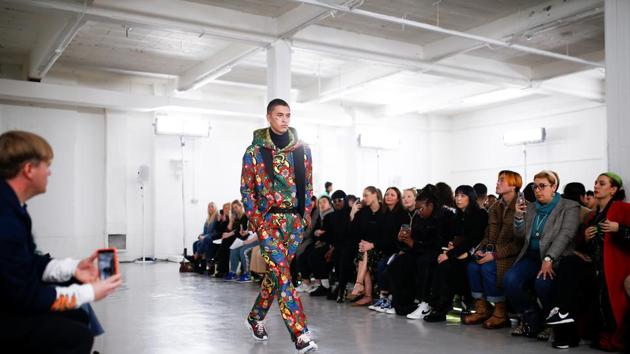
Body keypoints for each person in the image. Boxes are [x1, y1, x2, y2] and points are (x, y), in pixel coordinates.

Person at [0, 130, 121, 354]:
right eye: (47, 165)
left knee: (76, 313)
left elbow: (28, 262)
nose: (50, 172)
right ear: (28, 169)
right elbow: (28, 298)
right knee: (77, 335)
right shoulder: (6, 219)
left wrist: (73, 267)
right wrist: (90, 292)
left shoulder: (12, 207)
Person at [240, 98, 317, 353]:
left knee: (276, 276)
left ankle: (255, 317)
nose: (284, 120)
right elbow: (246, 190)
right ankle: (300, 333)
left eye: (288, 115)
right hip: (268, 223)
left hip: (294, 223)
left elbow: (307, 186)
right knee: (284, 275)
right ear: (268, 117)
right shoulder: (254, 152)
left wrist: (305, 215)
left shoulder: (302, 150)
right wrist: (257, 220)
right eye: (279, 115)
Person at [546, 172, 629, 351]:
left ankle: (565, 325)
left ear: (613, 189)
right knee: (568, 264)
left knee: (574, 271)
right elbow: (582, 246)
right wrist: (584, 238)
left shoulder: (623, 209)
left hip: (615, 265)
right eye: (596, 182)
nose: (596, 186)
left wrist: (619, 228)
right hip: (595, 263)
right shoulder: (592, 216)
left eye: (602, 183)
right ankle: (564, 325)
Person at [505, 170, 580, 340]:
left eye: (542, 186)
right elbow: (519, 235)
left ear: (554, 186)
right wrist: (518, 216)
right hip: (531, 255)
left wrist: (549, 259)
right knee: (510, 280)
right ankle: (531, 318)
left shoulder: (569, 206)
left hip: (555, 257)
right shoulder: (531, 207)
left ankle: (551, 322)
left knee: (542, 283)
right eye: (535, 186)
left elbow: (566, 235)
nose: (537, 190)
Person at [463, 170, 523, 329]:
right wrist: (480, 249)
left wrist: (494, 255)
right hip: (493, 252)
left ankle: (501, 312)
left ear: (514, 184)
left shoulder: (523, 206)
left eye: (502, 180)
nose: (497, 183)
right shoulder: (495, 206)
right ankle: (482, 308)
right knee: (472, 266)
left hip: (511, 255)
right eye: (498, 180)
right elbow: (487, 235)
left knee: (488, 268)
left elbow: (519, 243)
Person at [424, 185, 488, 322]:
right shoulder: (457, 216)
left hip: (474, 253)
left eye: (463, 196)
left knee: (446, 265)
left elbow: (474, 240)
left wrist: (451, 253)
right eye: (457, 195)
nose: (458, 199)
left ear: (471, 198)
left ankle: (441, 307)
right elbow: (455, 237)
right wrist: (451, 247)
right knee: (439, 263)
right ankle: (436, 304)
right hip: (459, 252)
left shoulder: (480, 214)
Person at [346, 186, 383, 306]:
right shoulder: (364, 212)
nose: (364, 198)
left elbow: (386, 235)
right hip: (366, 248)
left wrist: (372, 244)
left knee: (364, 252)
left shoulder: (384, 211)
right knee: (363, 251)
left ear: (375, 194)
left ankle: (361, 286)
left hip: (380, 247)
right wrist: (352, 214)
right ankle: (363, 290)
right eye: (363, 196)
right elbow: (353, 233)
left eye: (366, 195)